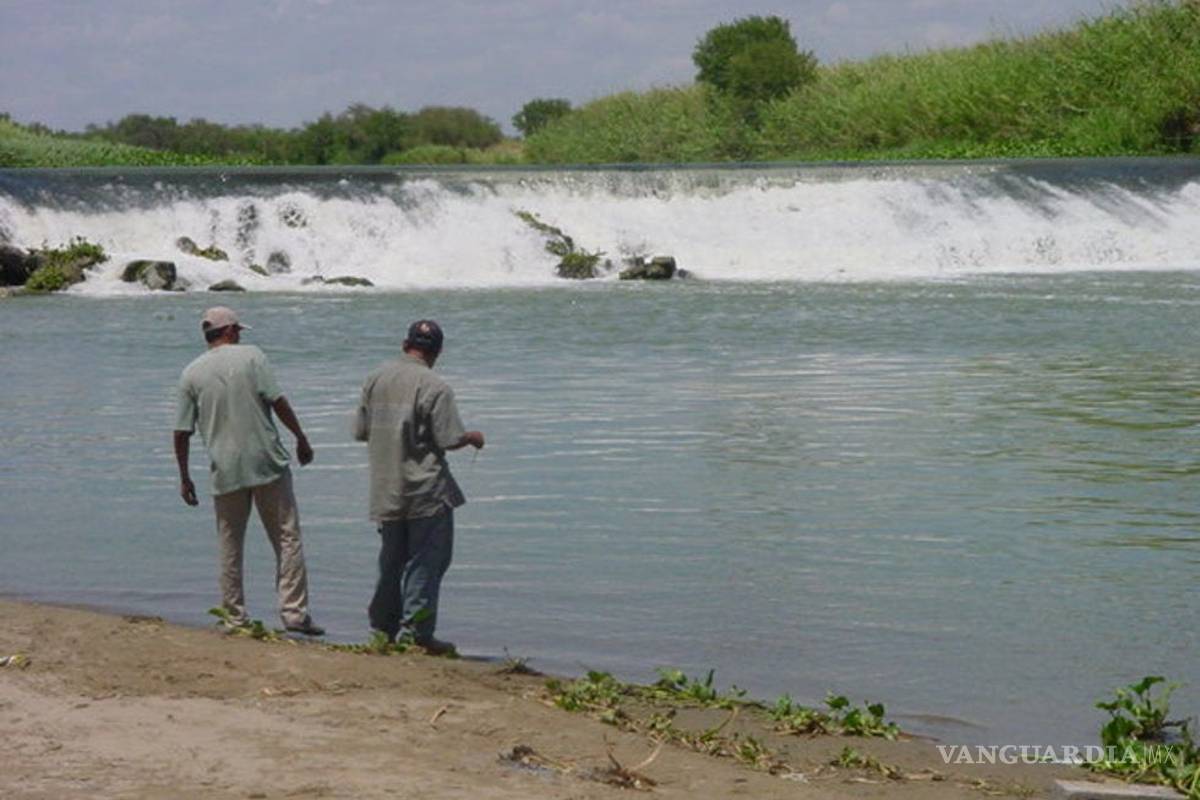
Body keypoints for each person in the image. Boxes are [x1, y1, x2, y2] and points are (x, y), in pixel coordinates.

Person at [173, 306, 324, 636]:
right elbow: (277, 400)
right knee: (287, 538)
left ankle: (234, 617)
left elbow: (181, 431)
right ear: (228, 331)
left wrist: (184, 476)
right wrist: (301, 437)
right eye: (237, 330)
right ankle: (294, 614)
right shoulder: (252, 356)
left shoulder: (191, 374)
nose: (239, 335)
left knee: (230, 545)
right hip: (267, 462)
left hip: (224, 469)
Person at [354, 319, 484, 654]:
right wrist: (472, 437)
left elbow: (360, 431)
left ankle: (382, 630)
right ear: (437, 351)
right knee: (426, 562)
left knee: (391, 563)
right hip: (425, 489)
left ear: (404, 345)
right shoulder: (435, 386)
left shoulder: (374, 379)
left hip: (385, 487)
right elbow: (449, 438)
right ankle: (417, 634)